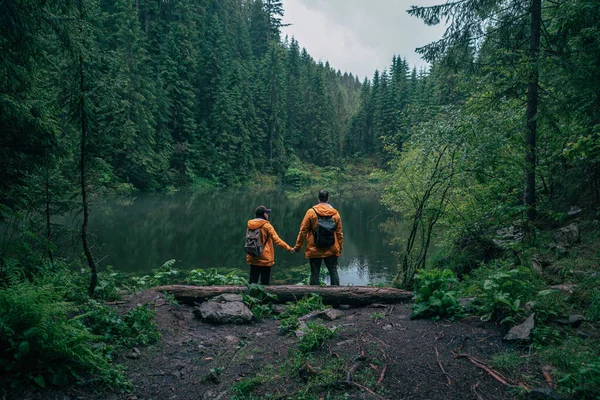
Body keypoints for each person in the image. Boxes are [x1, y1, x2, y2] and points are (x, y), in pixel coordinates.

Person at [293, 190, 343, 285]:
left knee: (315, 273)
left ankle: (314, 296)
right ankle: (337, 296)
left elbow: (303, 231)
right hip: (331, 248)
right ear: (328, 198)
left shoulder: (311, 212)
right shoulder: (335, 213)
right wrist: (339, 249)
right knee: (333, 271)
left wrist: (298, 247)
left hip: (314, 248)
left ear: (318, 199)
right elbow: (339, 233)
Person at [245, 205, 294, 285]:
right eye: (266, 213)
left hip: (253, 256)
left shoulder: (250, 225)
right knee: (265, 284)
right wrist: (289, 248)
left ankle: (251, 297)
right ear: (263, 214)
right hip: (265, 258)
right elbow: (277, 241)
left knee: (252, 283)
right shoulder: (267, 226)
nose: (267, 214)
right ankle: (263, 297)